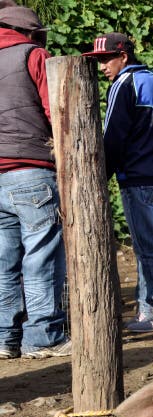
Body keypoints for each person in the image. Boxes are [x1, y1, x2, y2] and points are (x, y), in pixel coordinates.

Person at [83, 33, 153, 332]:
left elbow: (113, 135)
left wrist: (100, 176)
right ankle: (148, 312)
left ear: (123, 56)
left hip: (140, 179)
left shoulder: (123, 84)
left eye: (105, 59)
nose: (102, 67)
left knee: (150, 248)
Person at [0, 5, 70, 359]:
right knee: (41, 257)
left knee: (4, 261)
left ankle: (4, 338)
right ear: (29, 33)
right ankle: (43, 338)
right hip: (31, 171)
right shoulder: (34, 55)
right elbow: (55, 110)